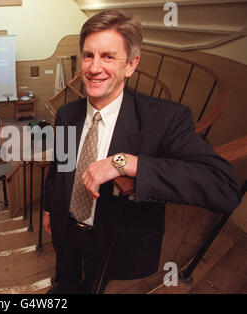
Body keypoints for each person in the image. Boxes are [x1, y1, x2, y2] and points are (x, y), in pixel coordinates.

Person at [43, 9, 241, 294]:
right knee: (66, 280)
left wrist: (125, 163)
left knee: (98, 286)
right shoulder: (65, 114)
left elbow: (223, 187)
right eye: (88, 55)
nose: (94, 67)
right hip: (66, 227)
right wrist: (51, 208)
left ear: (131, 65)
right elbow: (58, 167)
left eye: (108, 56)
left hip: (113, 240)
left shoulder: (164, 119)